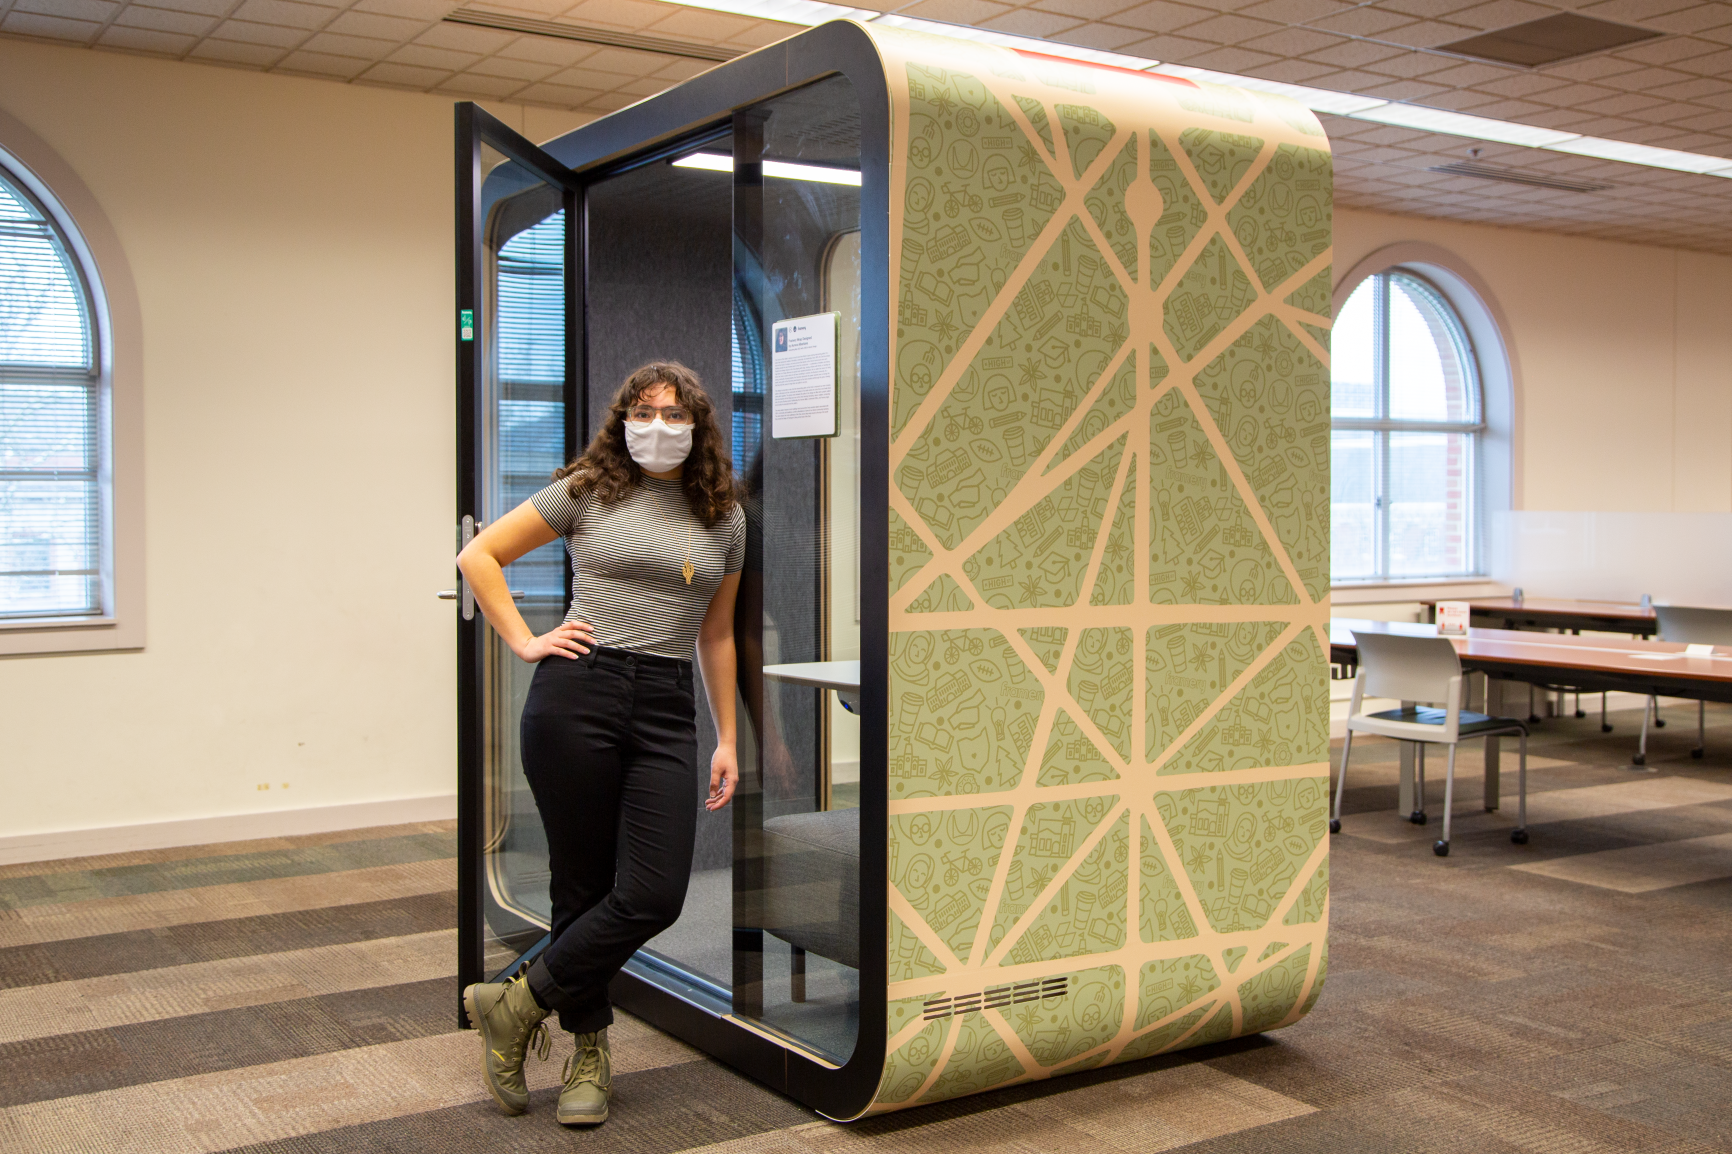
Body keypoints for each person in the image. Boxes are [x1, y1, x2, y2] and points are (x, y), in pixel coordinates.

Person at [456, 361, 744, 1128]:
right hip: (577, 691)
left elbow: (716, 633)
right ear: (622, 419)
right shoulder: (587, 489)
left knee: (654, 892)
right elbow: (478, 556)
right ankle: (589, 1055)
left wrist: (728, 736)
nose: (659, 427)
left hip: (664, 705)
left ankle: (515, 1003)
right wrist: (524, 640)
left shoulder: (724, 514)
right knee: (579, 886)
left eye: (675, 415)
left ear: (700, 426)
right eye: (644, 412)